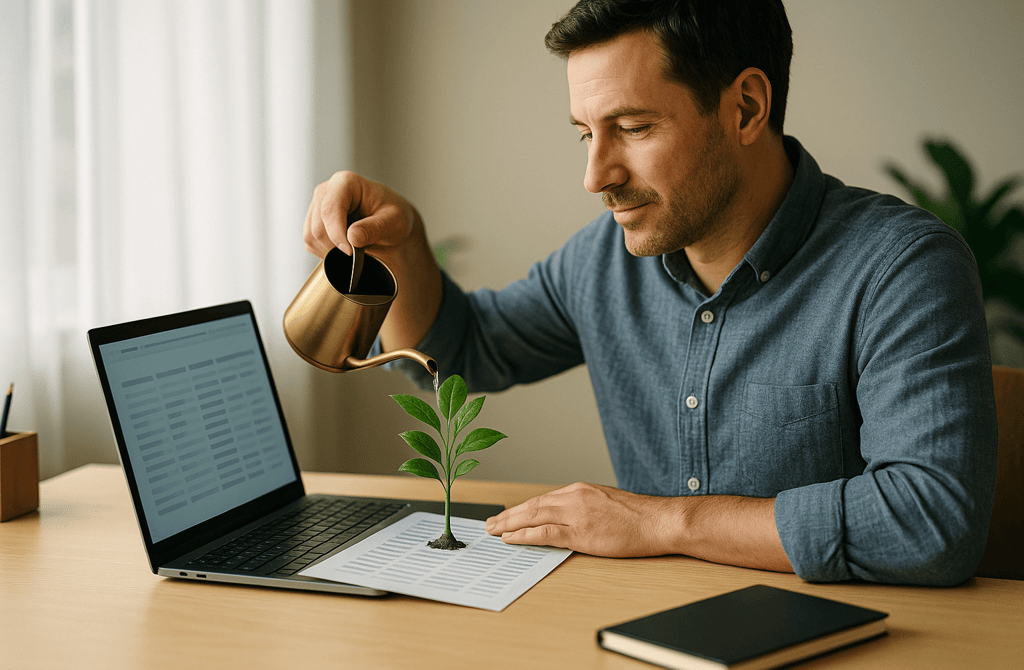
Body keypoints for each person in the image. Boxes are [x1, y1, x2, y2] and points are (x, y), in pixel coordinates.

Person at [302, 0, 998, 585]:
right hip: (649, 632)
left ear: (747, 107)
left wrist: (660, 520)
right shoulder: (603, 260)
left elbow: (930, 519)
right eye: (585, 133)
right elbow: (463, 351)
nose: (595, 174)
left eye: (633, 129)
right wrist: (405, 245)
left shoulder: (903, 269)